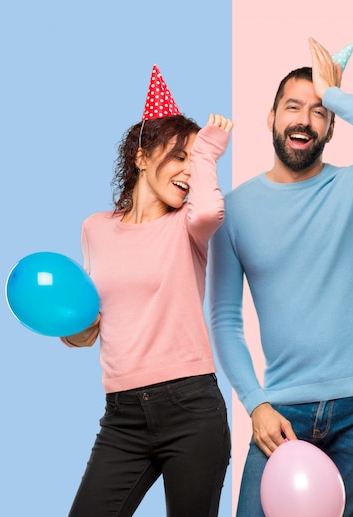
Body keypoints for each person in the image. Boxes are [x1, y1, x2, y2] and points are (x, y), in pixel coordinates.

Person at [208, 38, 353, 517]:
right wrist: (255, 404)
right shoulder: (234, 212)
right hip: (280, 411)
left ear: (331, 127)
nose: (303, 119)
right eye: (292, 107)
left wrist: (336, 95)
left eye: (318, 112)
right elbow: (224, 320)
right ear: (271, 118)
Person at [62, 64, 233, 517]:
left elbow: (211, 211)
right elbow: (87, 329)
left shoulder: (187, 226)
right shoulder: (95, 229)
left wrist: (207, 155)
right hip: (122, 415)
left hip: (190, 407)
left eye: (193, 161)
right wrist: (73, 328)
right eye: (179, 156)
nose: (188, 171)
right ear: (141, 157)